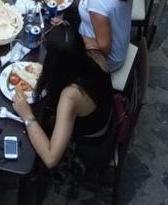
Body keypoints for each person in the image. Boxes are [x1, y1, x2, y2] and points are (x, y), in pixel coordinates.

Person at [12, 24, 115, 171]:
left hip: (92, 148)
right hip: (106, 116)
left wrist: (27, 116)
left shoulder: (70, 95)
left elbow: (50, 158)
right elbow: (70, 40)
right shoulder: (93, 51)